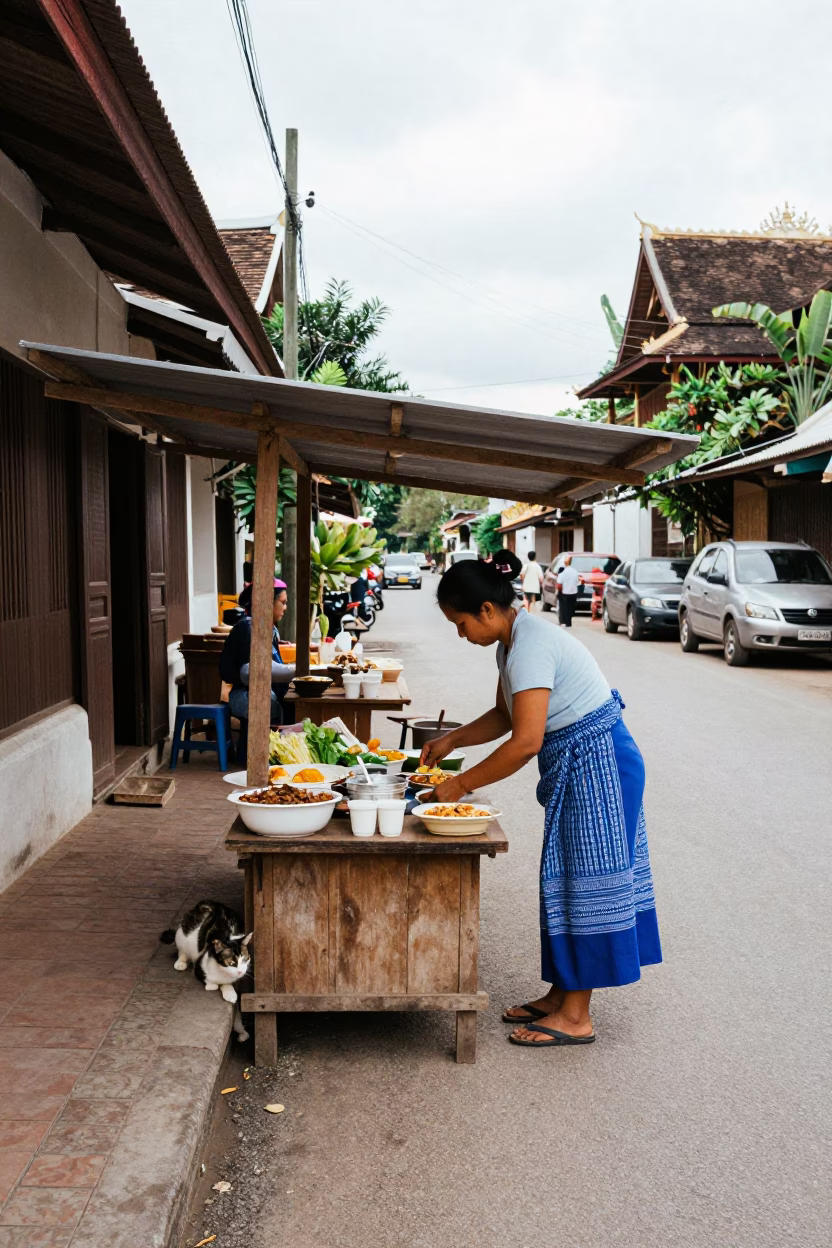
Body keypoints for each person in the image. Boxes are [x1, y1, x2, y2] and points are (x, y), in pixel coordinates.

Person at [423, 548, 661, 1047]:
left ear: (487, 610)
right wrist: (452, 742)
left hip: (601, 764)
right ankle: (561, 995)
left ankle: (577, 1017)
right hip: (582, 762)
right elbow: (506, 715)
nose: (460, 634)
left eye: (461, 622)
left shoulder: (531, 645)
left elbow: (526, 741)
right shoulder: (510, 645)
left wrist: (460, 785)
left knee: (587, 884)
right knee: (564, 877)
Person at [220, 581, 296, 727]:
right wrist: (299, 671)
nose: (285, 607)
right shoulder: (249, 628)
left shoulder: (265, 628)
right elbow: (252, 671)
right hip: (246, 696)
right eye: (283, 602)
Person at [557, 554, 581, 627]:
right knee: (571, 608)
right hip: (573, 593)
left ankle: (565, 622)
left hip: (565, 593)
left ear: (565, 563)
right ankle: (569, 622)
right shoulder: (575, 572)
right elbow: (578, 582)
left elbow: (559, 585)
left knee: (564, 608)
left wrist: (560, 592)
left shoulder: (562, 573)